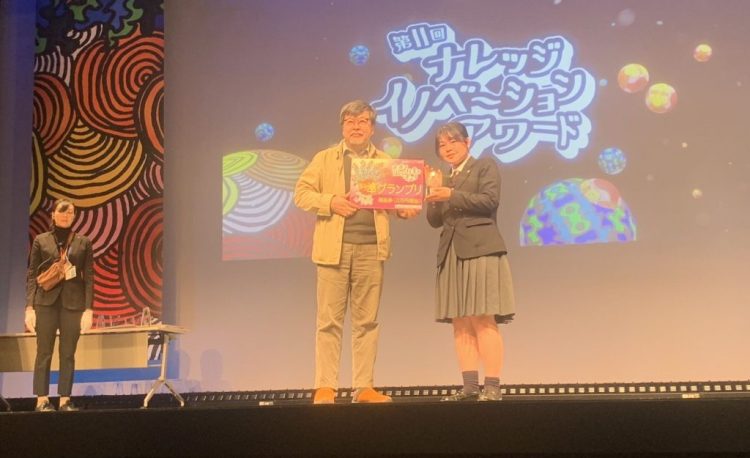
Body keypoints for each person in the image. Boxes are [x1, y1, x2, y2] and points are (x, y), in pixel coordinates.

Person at [294, 99, 418, 404]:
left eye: (363, 121)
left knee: (367, 322)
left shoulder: (385, 163)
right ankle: (325, 387)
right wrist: (331, 202)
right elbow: (302, 194)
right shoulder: (325, 159)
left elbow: (395, 203)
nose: (356, 127)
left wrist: (405, 209)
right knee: (328, 322)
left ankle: (364, 387)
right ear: (342, 128)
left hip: (371, 250)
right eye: (350, 122)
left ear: (372, 128)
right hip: (332, 251)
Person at [425, 121, 515, 401]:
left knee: (483, 317)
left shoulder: (484, 166)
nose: (447, 148)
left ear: (468, 142)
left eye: (453, 141)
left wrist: (450, 194)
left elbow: (489, 201)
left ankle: (492, 386)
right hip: (451, 251)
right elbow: (434, 221)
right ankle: (469, 387)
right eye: (442, 144)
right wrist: (433, 196)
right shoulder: (444, 177)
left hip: (480, 248)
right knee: (460, 321)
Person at [25, 199, 94, 412]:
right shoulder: (41, 240)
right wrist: (29, 308)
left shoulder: (83, 242)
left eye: (70, 212)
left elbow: (89, 277)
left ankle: (65, 399)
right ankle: (42, 400)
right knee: (43, 352)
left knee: (68, 353)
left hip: (73, 304)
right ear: (53, 214)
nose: (65, 215)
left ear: (74, 216)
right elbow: (32, 274)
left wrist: (88, 310)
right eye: (61, 211)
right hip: (45, 303)